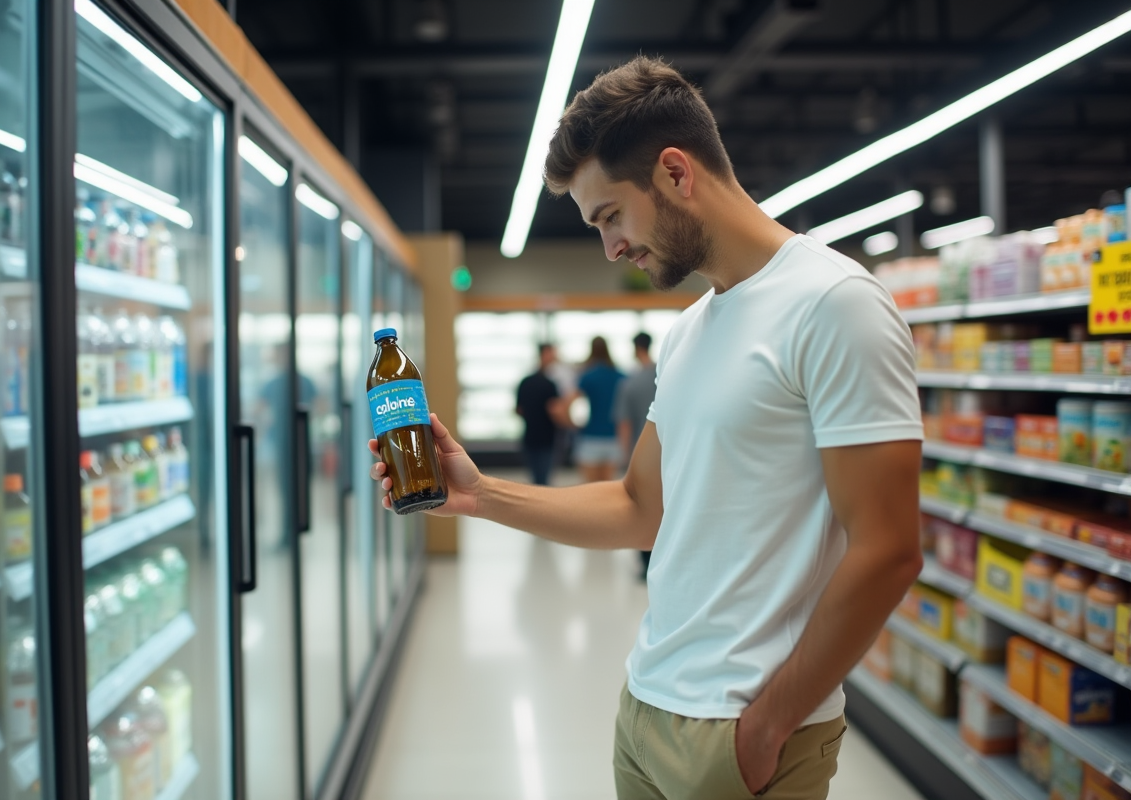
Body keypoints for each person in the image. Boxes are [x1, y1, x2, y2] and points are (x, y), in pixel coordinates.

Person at [370, 56, 922, 800]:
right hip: (647, 705)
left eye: (609, 216)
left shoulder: (835, 304)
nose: (611, 248)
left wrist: (765, 730)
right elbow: (640, 507)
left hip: (741, 733)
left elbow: (888, 550)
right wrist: (478, 495)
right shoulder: (691, 329)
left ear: (674, 173)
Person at [614, 331, 656, 577]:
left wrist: (626, 453)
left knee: (642, 507)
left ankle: (645, 564)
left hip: (641, 454)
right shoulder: (666, 372)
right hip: (669, 451)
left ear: (634, 348)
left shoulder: (630, 382)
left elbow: (625, 424)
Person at [564, 336, 624, 483]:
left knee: (590, 488)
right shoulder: (620, 376)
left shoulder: (587, 376)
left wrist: (573, 424)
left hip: (590, 436)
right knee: (608, 487)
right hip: (613, 436)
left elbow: (567, 403)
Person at [515, 343, 566, 486]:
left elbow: (518, 410)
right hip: (547, 439)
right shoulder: (550, 384)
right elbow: (555, 411)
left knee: (536, 479)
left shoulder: (525, 382)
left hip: (530, 436)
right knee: (544, 481)